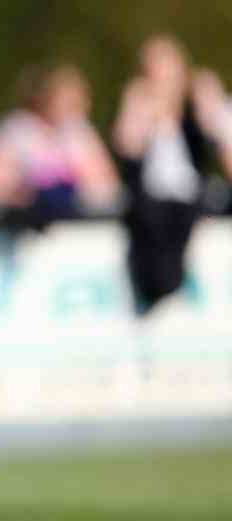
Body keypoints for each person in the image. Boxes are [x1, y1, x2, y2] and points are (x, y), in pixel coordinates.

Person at [113, 35, 224, 314]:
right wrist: (141, 109)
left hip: (191, 200)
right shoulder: (139, 105)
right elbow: (126, 146)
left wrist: (207, 102)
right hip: (152, 203)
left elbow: (219, 141)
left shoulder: (193, 109)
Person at [0, 64, 118, 230]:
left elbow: (105, 186)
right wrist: (19, 190)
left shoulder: (79, 132)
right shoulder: (18, 129)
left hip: (70, 229)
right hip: (19, 227)